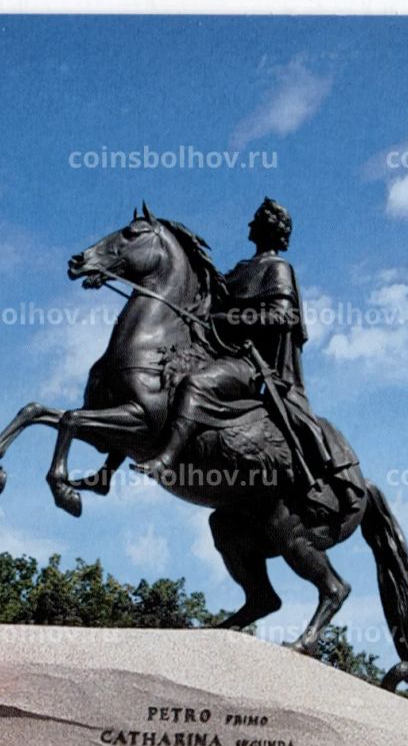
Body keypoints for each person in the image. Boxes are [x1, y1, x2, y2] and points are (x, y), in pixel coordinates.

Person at [135, 198, 357, 517]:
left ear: (267, 229)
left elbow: (281, 317)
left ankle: (168, 457)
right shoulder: (240, 270)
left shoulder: (278, 268)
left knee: (196, 384)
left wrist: (231, 321)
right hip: (224, 355)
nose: (249, 225)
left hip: (254, 365)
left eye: (256, 220)